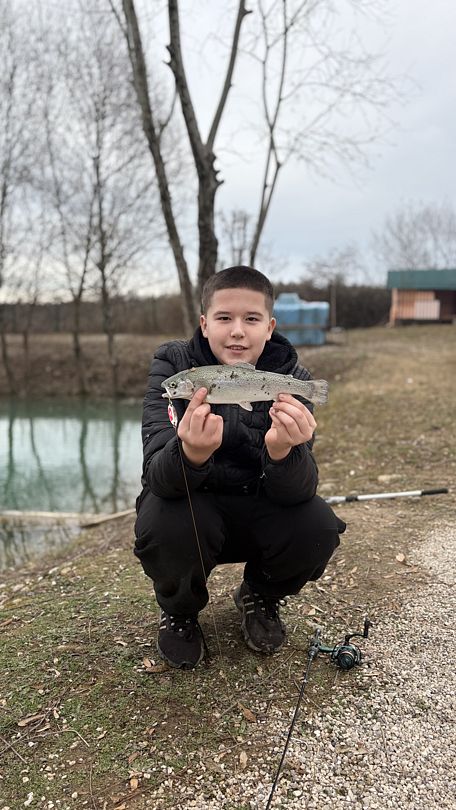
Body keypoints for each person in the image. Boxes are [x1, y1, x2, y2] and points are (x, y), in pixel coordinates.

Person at [134, 266, 345, 669]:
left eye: (251, 319)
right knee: (162, 520)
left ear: (269, 327)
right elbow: (156, 477)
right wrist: (191, 453)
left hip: (260, 505)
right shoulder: (172, 368)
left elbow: (301, 490)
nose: (237, 331)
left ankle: (260, 594)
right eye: (224, 318)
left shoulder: (292, 378)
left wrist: (283, 452)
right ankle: (180, 610)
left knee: (317, 525)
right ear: (204, 323)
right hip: (194, 511)